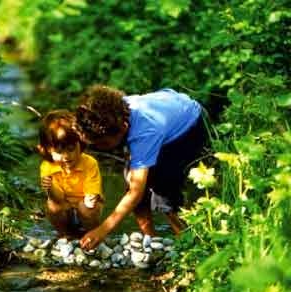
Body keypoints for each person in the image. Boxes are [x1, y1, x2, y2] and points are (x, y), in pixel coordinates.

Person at [75, 85, 206, 249]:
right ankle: (150, 239)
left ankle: (187, 239)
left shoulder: (144, 133)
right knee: (130, 179)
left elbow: (135, 194)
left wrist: (102, 230)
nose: (100, 148)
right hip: (168, 111)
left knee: (163, 186)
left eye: (104, 143)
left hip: (189, 125)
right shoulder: (111, 111)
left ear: (123, 128)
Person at [37, 109, 104, 238]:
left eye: (71, 149)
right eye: (59, 151)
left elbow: (91, 192)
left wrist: (91, 198)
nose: (67, 156)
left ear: (81, 143)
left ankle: (92, 233)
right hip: (64, 204)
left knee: (86, 208)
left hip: (84, 202)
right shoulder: (47, 166)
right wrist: (50, 188)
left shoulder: (89, 163)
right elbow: (58, 199)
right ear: (48, 150)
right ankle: (65, 235)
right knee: (52, 206)